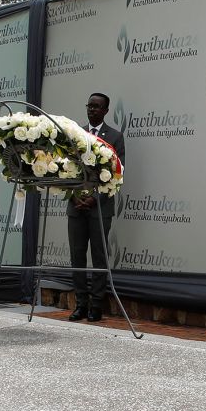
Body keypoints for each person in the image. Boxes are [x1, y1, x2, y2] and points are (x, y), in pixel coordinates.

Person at [68, 91, 126, 322]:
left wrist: (95, 198)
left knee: (99, 257)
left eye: (96, 107)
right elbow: (66, 168)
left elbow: (118, 173)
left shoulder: (115, 136)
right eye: (89, 106)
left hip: (100, 207)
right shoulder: (75, 134)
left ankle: (96, 305)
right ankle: (80, 304)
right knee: (77, 256)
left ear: (105, 111)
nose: (92, 110)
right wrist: (74, 196)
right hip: (75, 206)